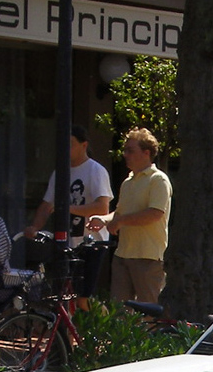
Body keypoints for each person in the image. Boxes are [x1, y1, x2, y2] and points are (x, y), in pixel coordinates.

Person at [25, 125, 113, 308]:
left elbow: (102, 207)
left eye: (71, 144)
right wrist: (35, 227)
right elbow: (46, 205)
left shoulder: (95, 170)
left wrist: (67, 208)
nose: (66, 149)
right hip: (66, 243)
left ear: (84, 145)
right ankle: (68, 336)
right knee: (65, 296)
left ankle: (109, 327)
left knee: (83, 297)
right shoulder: (59, 173)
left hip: (91, 243)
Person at [86, 127, 171, 304]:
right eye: (125, 150)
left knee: (148, 312)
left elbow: (155, 214)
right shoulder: (128, 182)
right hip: (122, 256)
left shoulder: (158, 180)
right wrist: (103, 219)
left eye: (130, 150)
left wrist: (120, 221)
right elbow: (119, 214)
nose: (125, 154)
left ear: (146, 153)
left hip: (148, 258)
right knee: (119, 313)